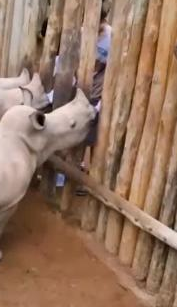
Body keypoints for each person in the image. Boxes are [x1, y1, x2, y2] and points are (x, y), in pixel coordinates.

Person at [48, 7, 111, 193]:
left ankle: (84, 177)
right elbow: (66, 57)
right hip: (78, 86)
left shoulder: (112, 37)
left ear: (104, 20)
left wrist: (102, 100)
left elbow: (111, 68)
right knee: (69, 130)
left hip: (98, 88)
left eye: (100, 24)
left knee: (90, 136)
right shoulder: (81, 32)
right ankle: (63, 175)